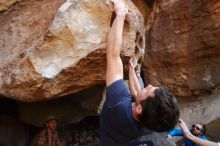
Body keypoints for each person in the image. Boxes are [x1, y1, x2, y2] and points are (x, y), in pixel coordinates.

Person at [100, 0, 180, 145]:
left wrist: (120, 15)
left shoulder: (118, 104)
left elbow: (113, 56)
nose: (149, 86)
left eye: (149, 89)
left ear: (138, 108)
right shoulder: (151, 124)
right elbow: (138, 94)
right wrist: (131, 68)